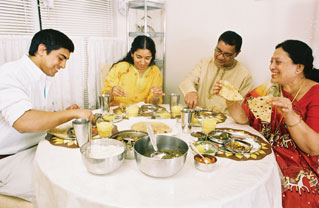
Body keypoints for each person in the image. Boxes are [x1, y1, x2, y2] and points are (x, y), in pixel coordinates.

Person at [213, 40, 319, 207]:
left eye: (278, 62)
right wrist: (230, 98)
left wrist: (290, 115)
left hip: (300, 164)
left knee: (288, 194)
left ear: (299, 68)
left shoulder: (316, 94)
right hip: (266, 151)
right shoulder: (270, 89)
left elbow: (313, 148)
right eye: (271, 61)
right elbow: (243, 118)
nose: (271, 67)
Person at [0, 29, 94, 202]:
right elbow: (23, 121)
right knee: (66, 187)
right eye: (61, 58)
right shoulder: (9, 74)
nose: (63, 66)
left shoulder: (42, 77)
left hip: (34, 148)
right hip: (9, 160)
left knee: (82, 165)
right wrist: (70, 113)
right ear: (42, 50)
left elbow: (40, 116)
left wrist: (64, 113)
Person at [178, 30, 253, 114]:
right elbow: (189, 80)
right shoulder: (204, 63)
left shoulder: (244, 76)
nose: (220, 57)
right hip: (200, 118)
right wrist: (190, 91)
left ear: (237, 54)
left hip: (227, 122)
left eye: (227, 54)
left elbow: (243, 110)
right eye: (218, 50)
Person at [101, 35, 164, 106]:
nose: (142, 62)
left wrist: (155, 97)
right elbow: (103, 100)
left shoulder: (155, 71)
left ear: (152, 57)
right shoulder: (120, 67)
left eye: (147, 58)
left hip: (143, 115)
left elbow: (153, 105)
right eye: (139, 57)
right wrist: (112, 92)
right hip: (118, 114)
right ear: (132, 54)